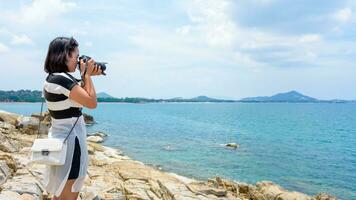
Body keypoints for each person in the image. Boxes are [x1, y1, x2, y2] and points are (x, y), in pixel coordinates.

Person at [42, 36, 102, 200]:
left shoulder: (56, 78)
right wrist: (86, 75)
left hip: (63, 141)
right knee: (69, 194)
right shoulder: (61, 79)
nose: (77, 61)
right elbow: (91, 102)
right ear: (64, 55)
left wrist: (87, 75)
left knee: (61, 193)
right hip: (71, 145)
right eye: (76, 57)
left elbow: (82, 94)